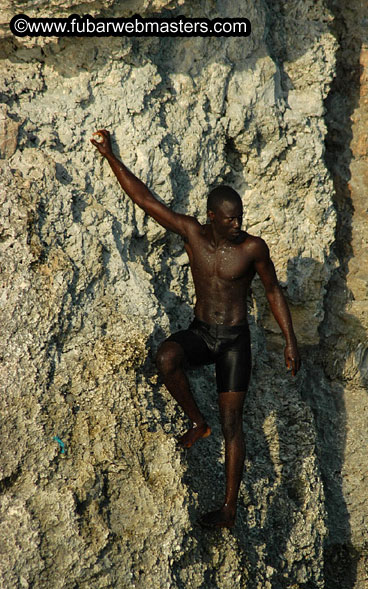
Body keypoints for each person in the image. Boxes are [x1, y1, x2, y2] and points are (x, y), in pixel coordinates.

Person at [91, 129, 300, 529]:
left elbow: (273, 289)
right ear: (213, 218)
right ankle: (195, 422)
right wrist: (109, 155)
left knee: (232, 425)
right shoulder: (192, 234)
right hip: (203, 333)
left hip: (236, 342)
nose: (239, 223)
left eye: (241, 216)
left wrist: (290, 341)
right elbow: (145, 199)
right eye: (231, 218)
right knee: (167, 357)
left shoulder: (253, 248)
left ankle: (228, 509)